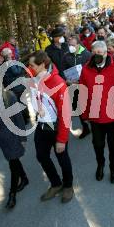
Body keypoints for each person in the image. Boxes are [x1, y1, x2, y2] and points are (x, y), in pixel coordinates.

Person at [27, 51, 74, 203]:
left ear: (42, 65)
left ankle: (68, 186)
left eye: (32, 65)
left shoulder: (57, 82)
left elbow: (65, 113)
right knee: (41, 156)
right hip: (42, 127)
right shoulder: (34, 79)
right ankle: (56, 184)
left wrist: (61, 139)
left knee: (62, 157)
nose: (29, 67)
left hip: (56, 128)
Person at [79, 41, 114, 184]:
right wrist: (85, 114)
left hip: (112, 116)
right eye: (95, 53)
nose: (97, 56)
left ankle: (113, 168)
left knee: (113, 146)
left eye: (100, 53)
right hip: (95, 117)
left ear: (107, 53)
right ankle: (100, 165)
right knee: (98, 145)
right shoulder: (86, 69)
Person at [0, 75, 28, 209]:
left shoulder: (10, 96)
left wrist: (22, 137)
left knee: (12, 165)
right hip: (2, 138)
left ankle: (12, 195)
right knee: (12, 160)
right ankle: (24, 179)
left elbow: (19, 118)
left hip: (13, 134)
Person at [63, 35, 92, 139]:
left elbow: (92, 71)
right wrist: (67, 80)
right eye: (69, 45)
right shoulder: (66, 56)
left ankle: (95, 125)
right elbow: (64, 70)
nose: (71, 47)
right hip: (73, 87)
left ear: (78, 45)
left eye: (73, 45)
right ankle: (86, 128)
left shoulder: (87, 55)